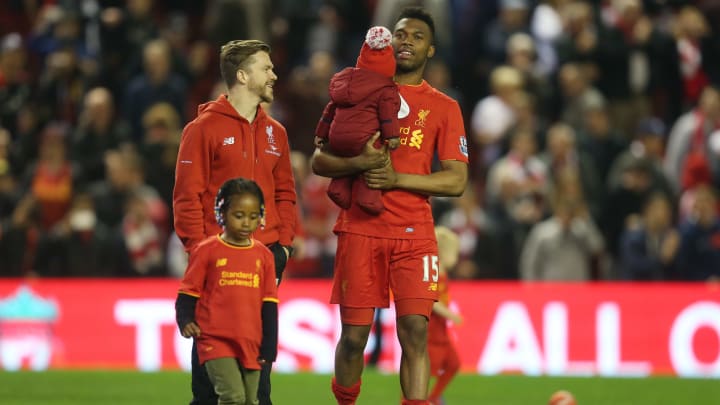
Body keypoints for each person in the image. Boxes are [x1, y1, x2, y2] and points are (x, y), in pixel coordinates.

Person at [310, 7, 469, 404]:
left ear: (430, 50)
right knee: (354, 337)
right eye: (400, 34)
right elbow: (319, 160)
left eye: (417, 36)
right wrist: (359, 163)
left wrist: (397, 179)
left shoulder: (444, 107)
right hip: (360, 228)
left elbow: (456, 179)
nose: (406, 41)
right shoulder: (355, 90)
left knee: (415, 331)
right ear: (388, 41)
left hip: (414, 234)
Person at [173, 39, 297, 405]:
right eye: (266, 68)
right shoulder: (201, 129)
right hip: (218, 259)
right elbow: (186, 197)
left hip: (265, 258)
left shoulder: (278, 132)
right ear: (243, 76)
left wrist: (284, 248)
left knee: (259, 376)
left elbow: (286, 195)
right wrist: (201, 253)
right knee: (210, 382)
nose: (274, 74)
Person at [175, 177, 279, 405]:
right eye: (239, 216)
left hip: (250, 340)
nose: (246, 223)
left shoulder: (264, 256)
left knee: (252, 401)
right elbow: (187, 293)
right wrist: (185, 320)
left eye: (253, 217)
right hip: (215, 339)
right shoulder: (206, 251)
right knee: (233, 397)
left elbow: (269, 304)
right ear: (221, 213)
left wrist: (269, 345)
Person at [314, 25, 400, 215]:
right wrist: (392, 136)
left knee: (345, 154)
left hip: (336, 137)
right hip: (361, 138)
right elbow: (387, 114)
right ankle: (368, 198)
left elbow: (330, 109)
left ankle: (338, 188)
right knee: (375, 150)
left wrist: (321, 133)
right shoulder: (386, 88)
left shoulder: (345, 81)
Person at [427, 226, 463, 405]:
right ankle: (410, 400)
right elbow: (431, 299)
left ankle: (433, 397)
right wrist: (451, 314)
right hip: (431, 332)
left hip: (441, 331)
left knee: (453, 364)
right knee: (424, 372)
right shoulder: (433, 272)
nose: (456, 258)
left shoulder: (442, 273)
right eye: (455, 252)